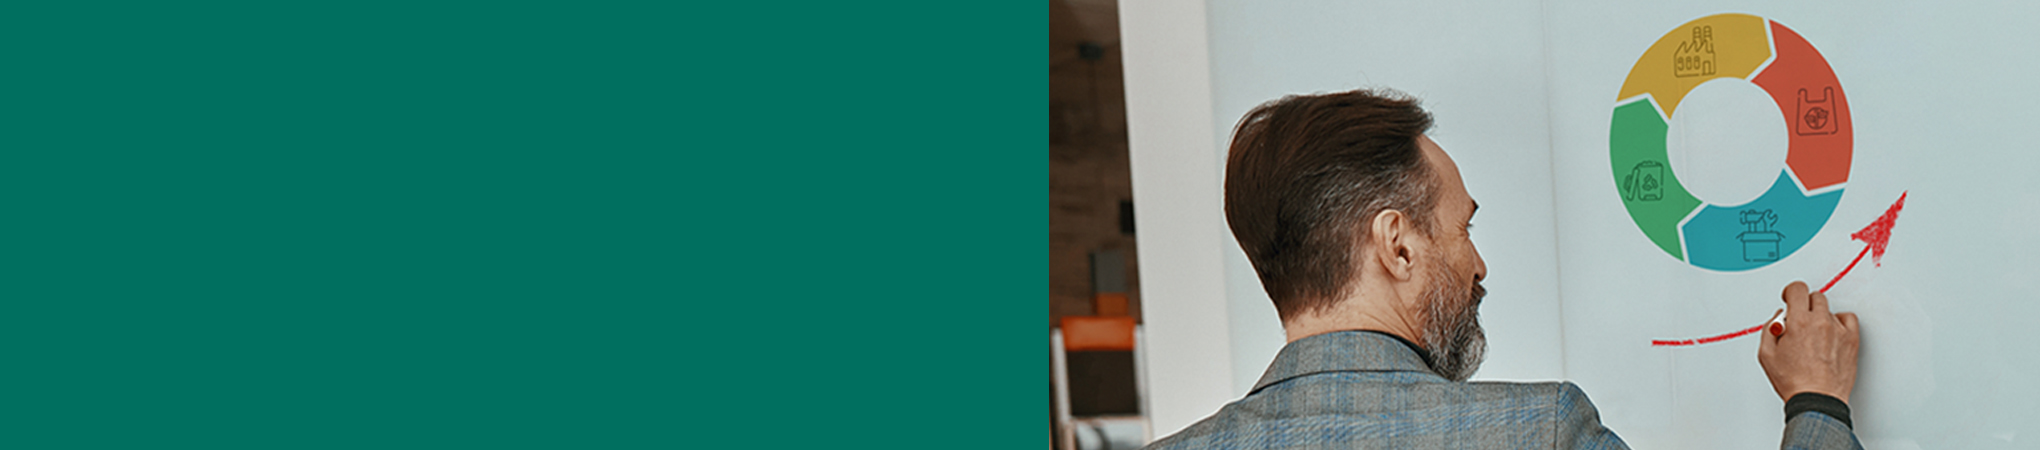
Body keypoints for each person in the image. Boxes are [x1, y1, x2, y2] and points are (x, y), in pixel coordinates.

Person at [1142, 89, 1862, 449]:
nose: (1478, 265)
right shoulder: (1540, 431)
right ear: (1397, 246)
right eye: (1463, 228)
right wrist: (1817, 405)